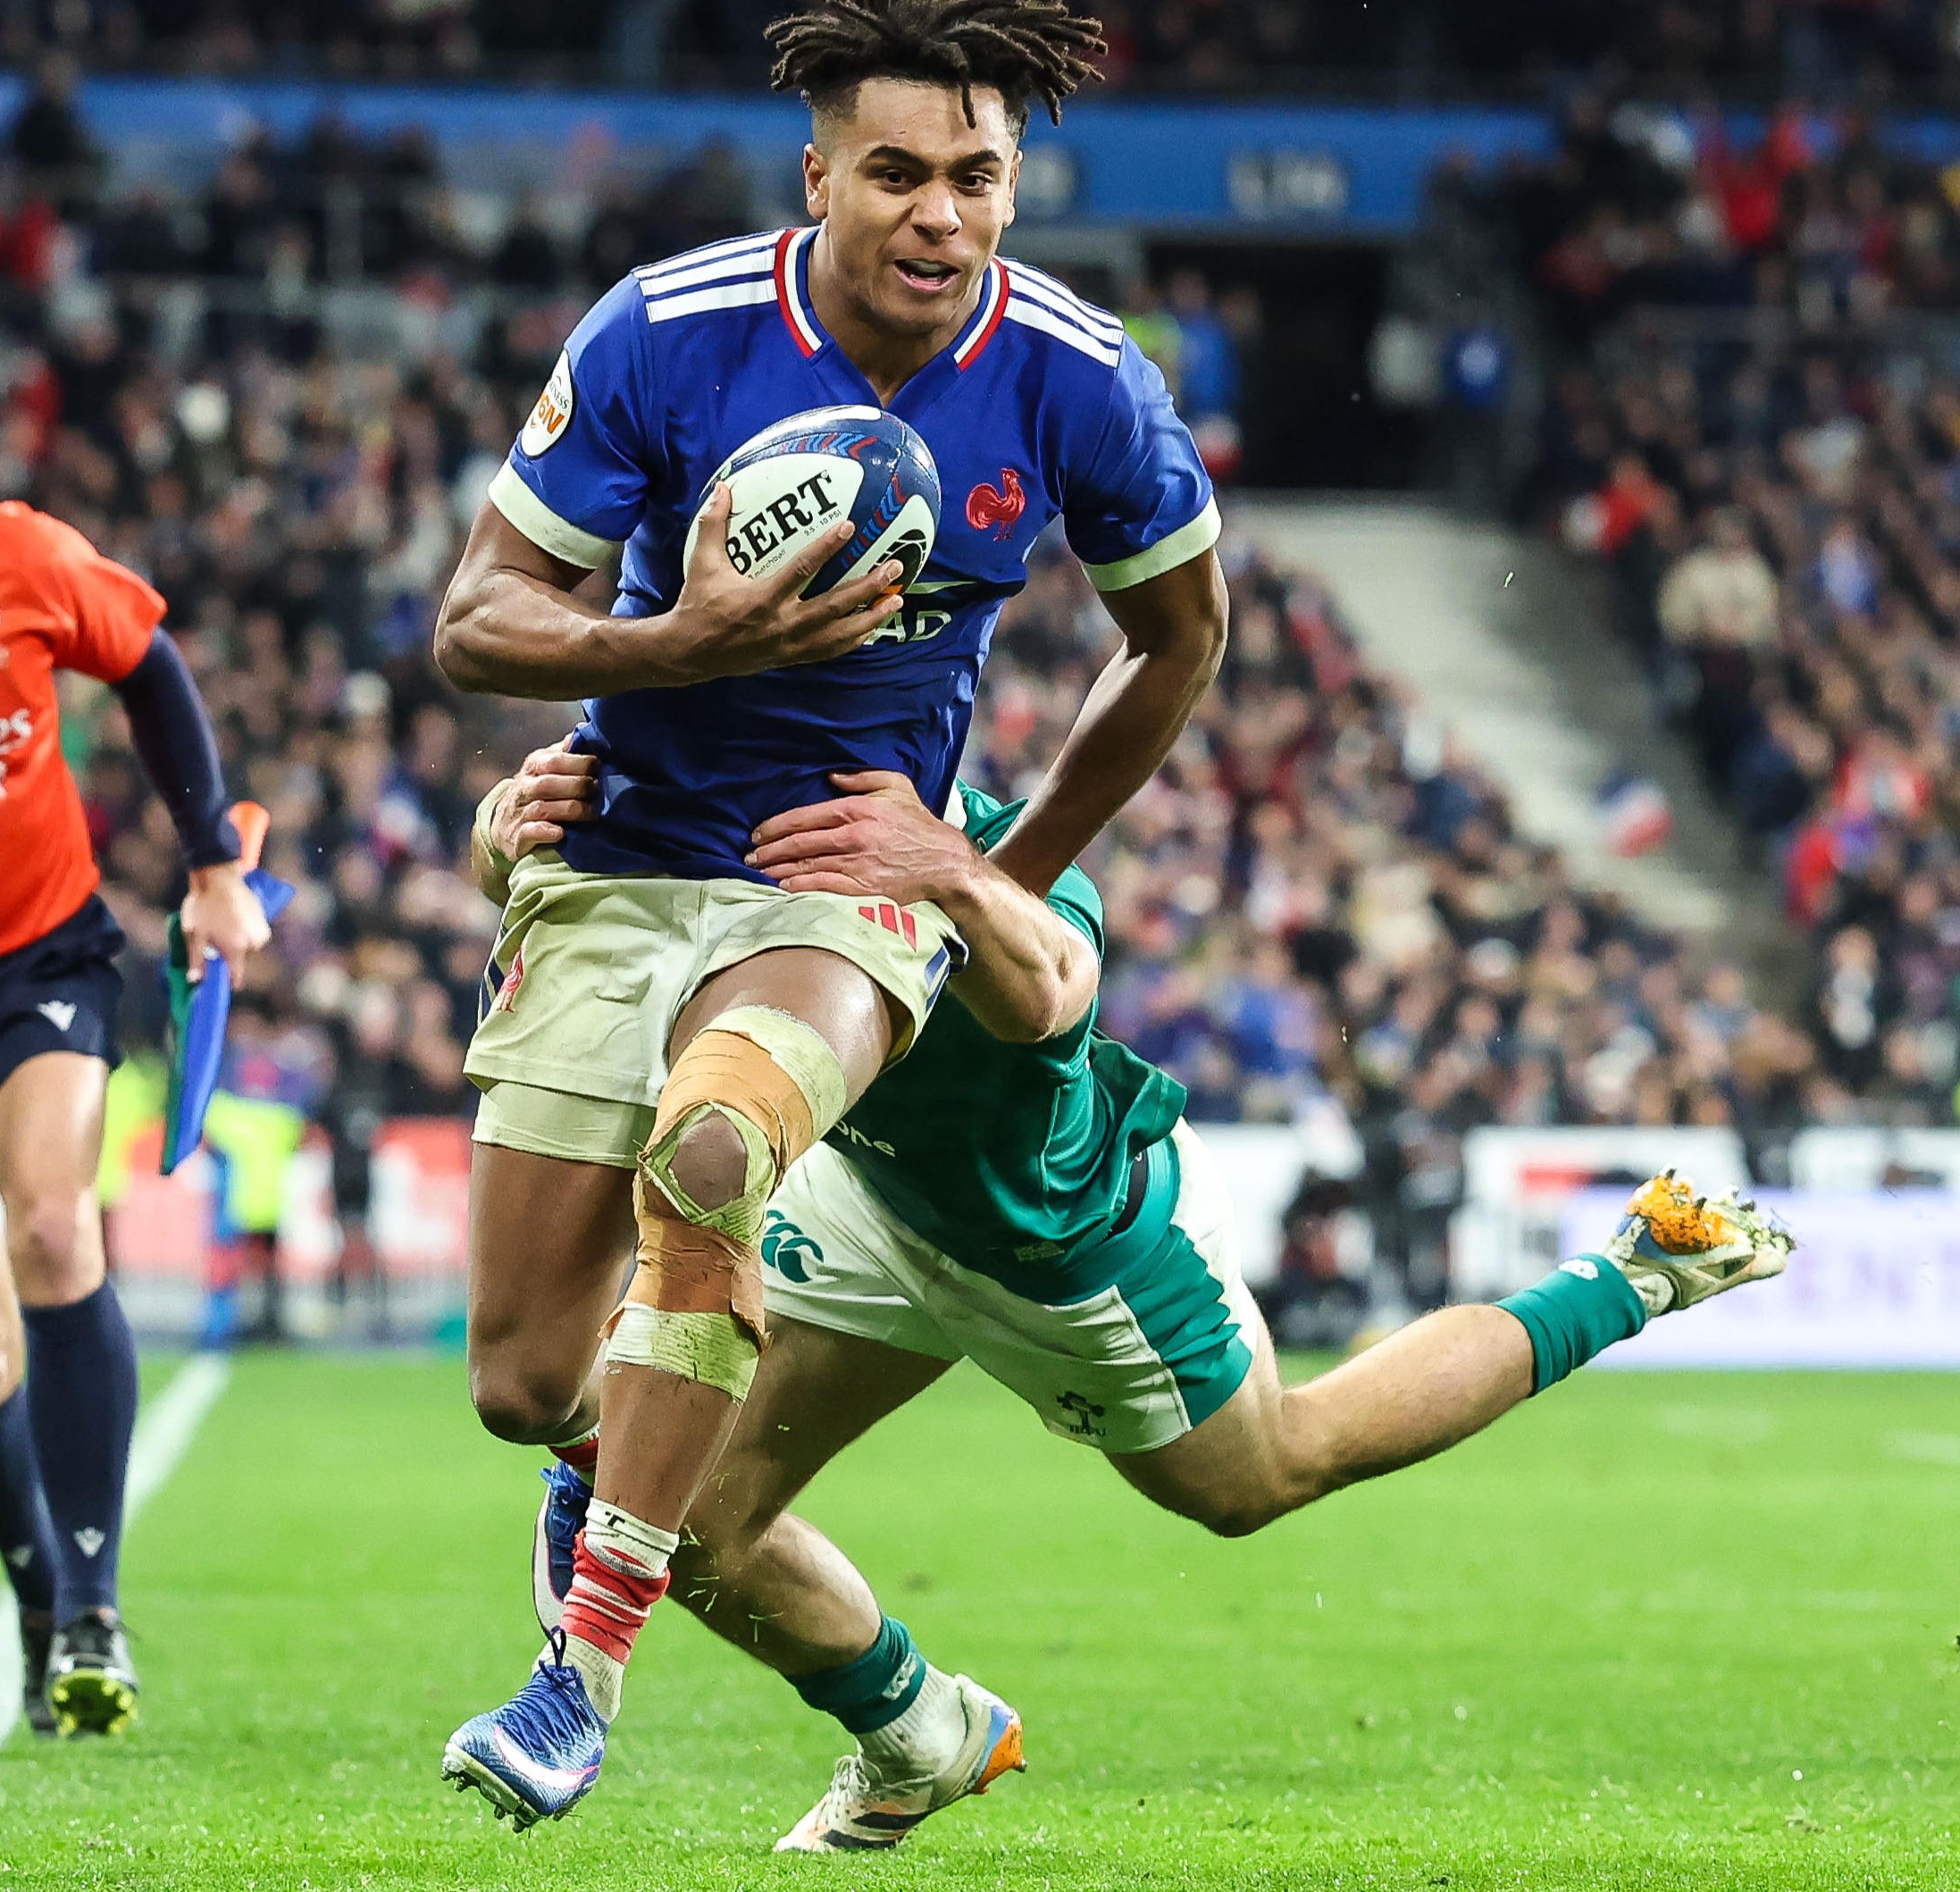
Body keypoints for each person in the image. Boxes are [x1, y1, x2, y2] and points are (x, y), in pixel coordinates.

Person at [429, 0, 1227, 1826]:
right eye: (897, 173)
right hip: (621, 860)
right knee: (528, 1380)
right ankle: (885, 1688)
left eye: (978, 178)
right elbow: (477, 619)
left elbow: (1182, 637)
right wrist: (670, 648)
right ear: (816, 174)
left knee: (716, 1145)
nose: (942, 215)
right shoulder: (667, 327)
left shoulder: (1074, 380)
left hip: (839, 885)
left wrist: (979, 871)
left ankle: (575, 1675)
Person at [478, 744, 1794, 1851]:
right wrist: (510, 849)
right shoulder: (704, 803)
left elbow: (1055, 978)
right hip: (871, 1201)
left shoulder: (975, 843)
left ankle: (1627, 1273)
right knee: (684, 1519)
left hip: (1061, 1252)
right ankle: (918, 1732)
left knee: (1261, 1474)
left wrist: (953, 870)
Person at [0, 364, 270, 1737]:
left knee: (59, 1232)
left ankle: (92, 1603)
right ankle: (34, 1586)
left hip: (33, 962)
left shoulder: (16, 559)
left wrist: (207, 868)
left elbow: (146, 661)